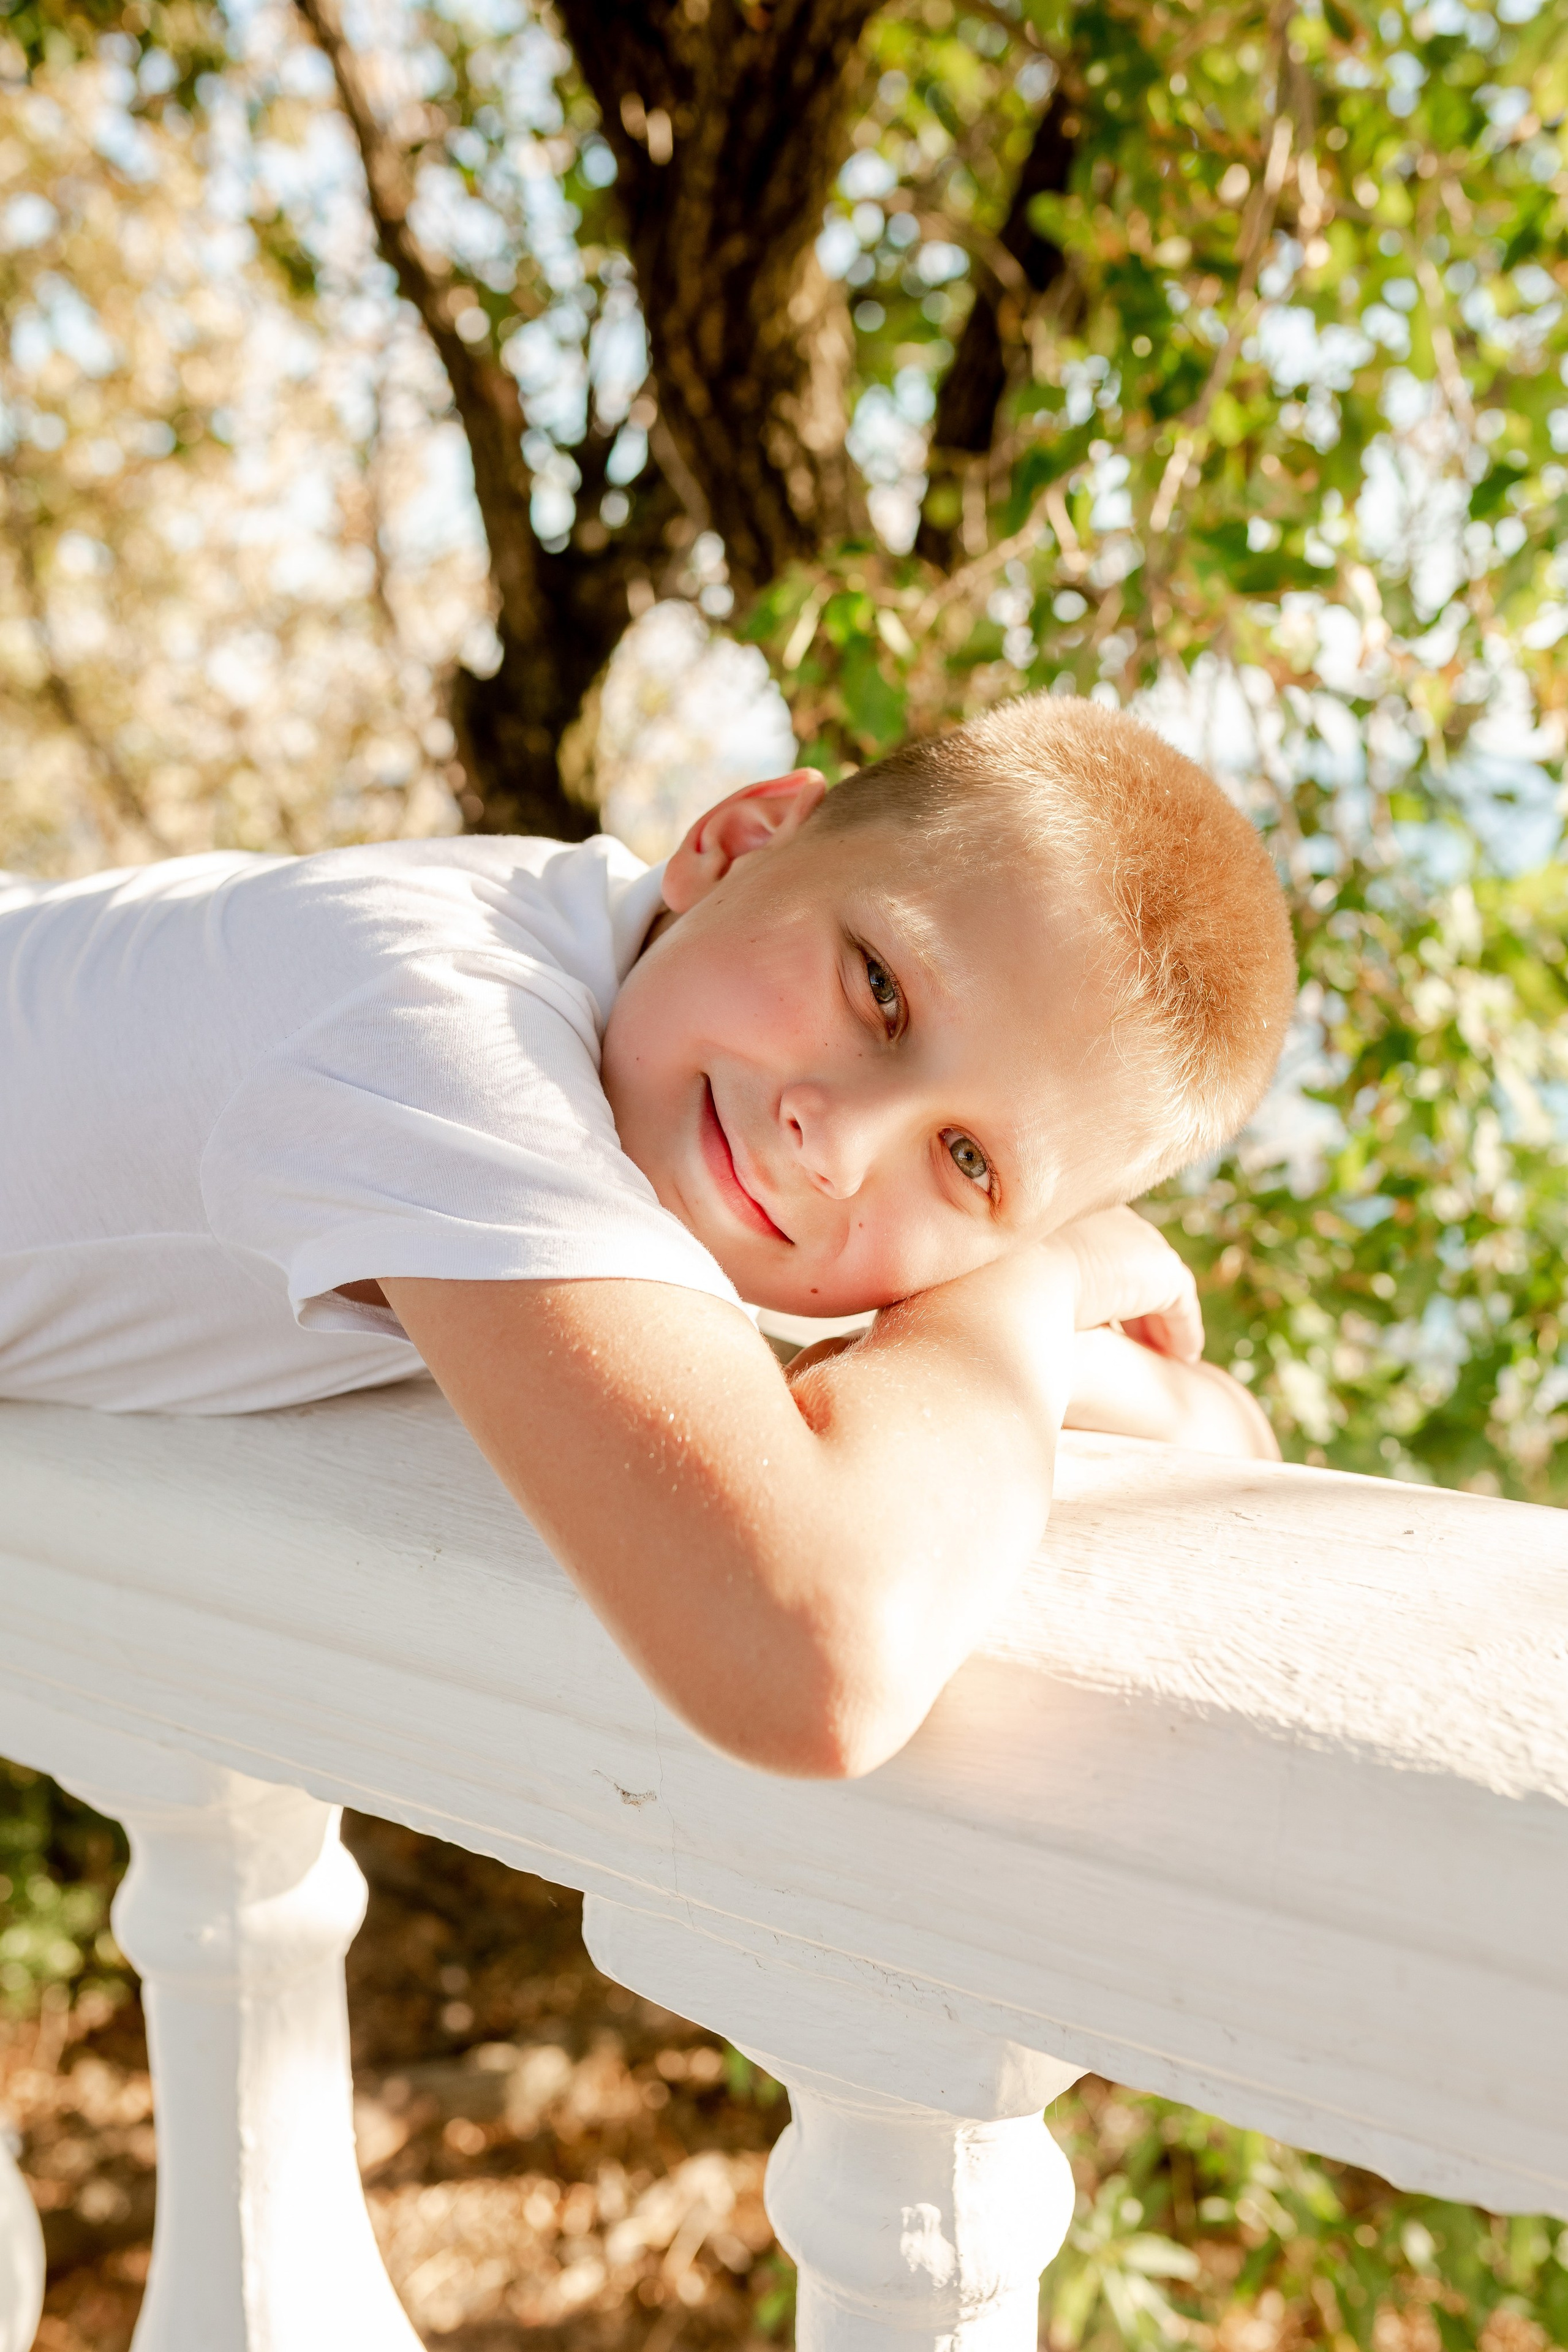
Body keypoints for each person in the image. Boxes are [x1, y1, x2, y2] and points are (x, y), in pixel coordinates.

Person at [0, 695, 1295, 1777]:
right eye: (882, 990)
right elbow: (810, 1655)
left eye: (965, 1160)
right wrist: (1033, 1277)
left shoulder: (673, 1044)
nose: (836, 1145)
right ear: (736, 840)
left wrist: (1015, 1298)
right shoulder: (443, 1037)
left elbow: (1225, 1441)